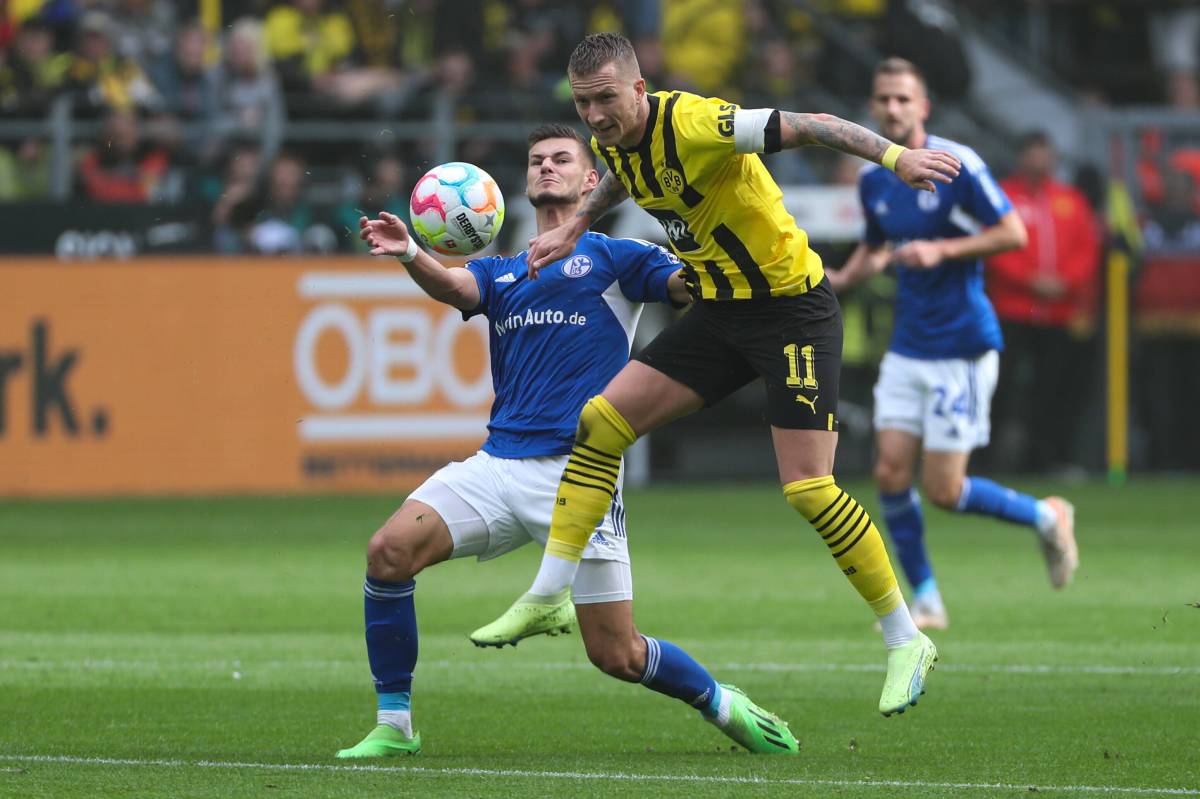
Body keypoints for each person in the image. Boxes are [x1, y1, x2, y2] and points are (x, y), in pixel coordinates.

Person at [480, 32, 962, 718]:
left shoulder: (698, 123)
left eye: (606, 99)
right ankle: (551, 593)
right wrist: (574, 226)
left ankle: (905, 636)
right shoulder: (614, 136)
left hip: (792, 310)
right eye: (583, 103)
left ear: (639, 90)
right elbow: (621, 172)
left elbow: (813, 124)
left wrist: (897, 155)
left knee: (808, 488)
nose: (593, 116)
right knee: (601, 422)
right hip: (720, 310)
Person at [336, 123, 801, 759]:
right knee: (388, 551)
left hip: (578, 477)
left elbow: (686, 288)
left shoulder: (616, 256)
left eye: (561, 159)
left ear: (592, 181)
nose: (546, 167)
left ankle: (722, 703)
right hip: (497, 466)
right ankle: (395, 725)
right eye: (536, 161)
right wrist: (411, 252)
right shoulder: (502, 272)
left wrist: (716, 252)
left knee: (616, 652)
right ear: (521, 184)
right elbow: (455, 287)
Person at [825, 58, 1079, 630]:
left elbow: (1012, 231)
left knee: (943, 489)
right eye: (883, 99)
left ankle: (1046, 514)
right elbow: (875, 248)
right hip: (909, 345)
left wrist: (944, 250)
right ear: (873, 105)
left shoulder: (957, 164)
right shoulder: (873, 178)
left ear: (923, 108)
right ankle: (928, 600)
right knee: (890, 472)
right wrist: (839, 279)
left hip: (961, 344)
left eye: (902, 100)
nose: (891, 108)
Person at [988, 131, 1102, 473]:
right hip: (1012, 312)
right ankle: (989, 461)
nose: (1039, 160)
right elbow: (993, 246)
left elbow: (1087, 248)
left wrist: (1065, 283)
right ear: (1022, 157)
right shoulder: (1002, 196)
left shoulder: (1070, 200)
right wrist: (1030, 280)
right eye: (1033, 153)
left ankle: (1048, 459)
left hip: (1060, 314)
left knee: (1054, 390)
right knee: (1001, 388)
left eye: (1045, 153)